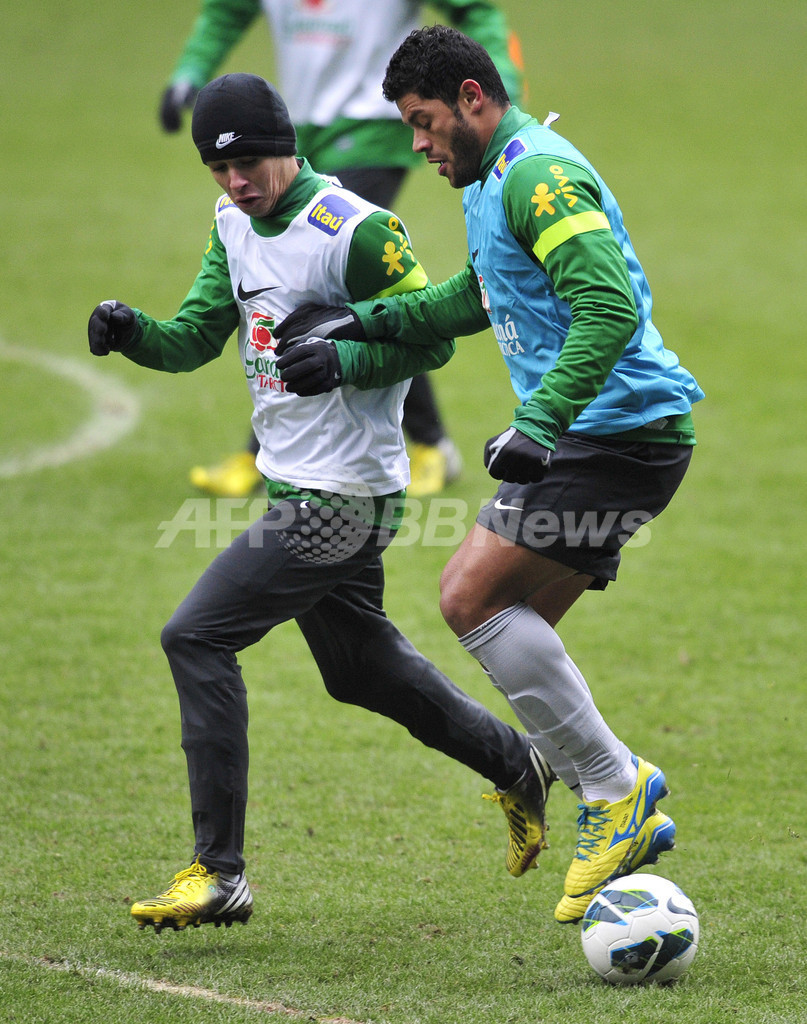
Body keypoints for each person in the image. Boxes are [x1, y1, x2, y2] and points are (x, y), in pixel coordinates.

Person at [86, 72, 556, 933]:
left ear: (286, 146)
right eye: (218, 169)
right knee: (358, 670)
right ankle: (516, 763)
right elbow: (194, 338)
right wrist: (134, 335)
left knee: (196, 635)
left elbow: (431, 342)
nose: (236, 182)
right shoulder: (232, 223)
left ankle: (219, 872)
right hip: (294, 484)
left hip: (347, 496)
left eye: (249, 164)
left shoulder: (356, 231)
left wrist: (345, 359)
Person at [275, 26, 705, 925]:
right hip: (613, 434)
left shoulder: (535, 176)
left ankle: (614, 788)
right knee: (517, 632)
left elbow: (607, 307)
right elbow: (478, 294)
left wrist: (539, 424)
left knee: (468, 597)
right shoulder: (491, 178)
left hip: (615, 434)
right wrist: (364, 323)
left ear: (471, 97)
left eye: (424, 122)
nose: (418, 144)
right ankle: (593, 785)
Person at [159, 0, 523, 499]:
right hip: (294, 129)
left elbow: (476, 10)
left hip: (373, 125)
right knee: (337, 290)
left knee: (346, 273)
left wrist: (501, 91)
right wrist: (190, 71)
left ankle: (416, 444)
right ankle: (418, 442)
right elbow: (227, 10)